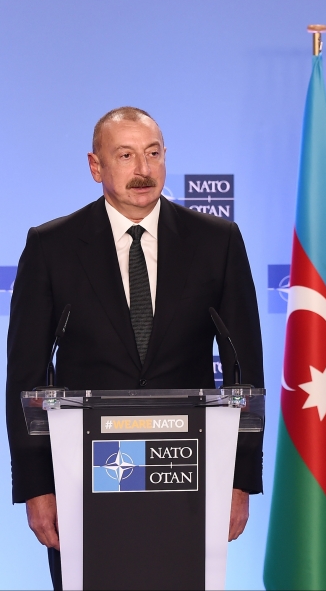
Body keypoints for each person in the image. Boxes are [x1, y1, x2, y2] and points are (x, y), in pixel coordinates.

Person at [5, 107, 264, 588]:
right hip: (84, 479)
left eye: (152, 154)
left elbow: (243, 366)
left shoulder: (218, 242)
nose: (142, 170)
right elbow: (27, 375)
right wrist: (37, 487)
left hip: (188, 477)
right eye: (125, 155)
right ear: (95, 166)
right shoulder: (51, 247)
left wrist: (240, 478)